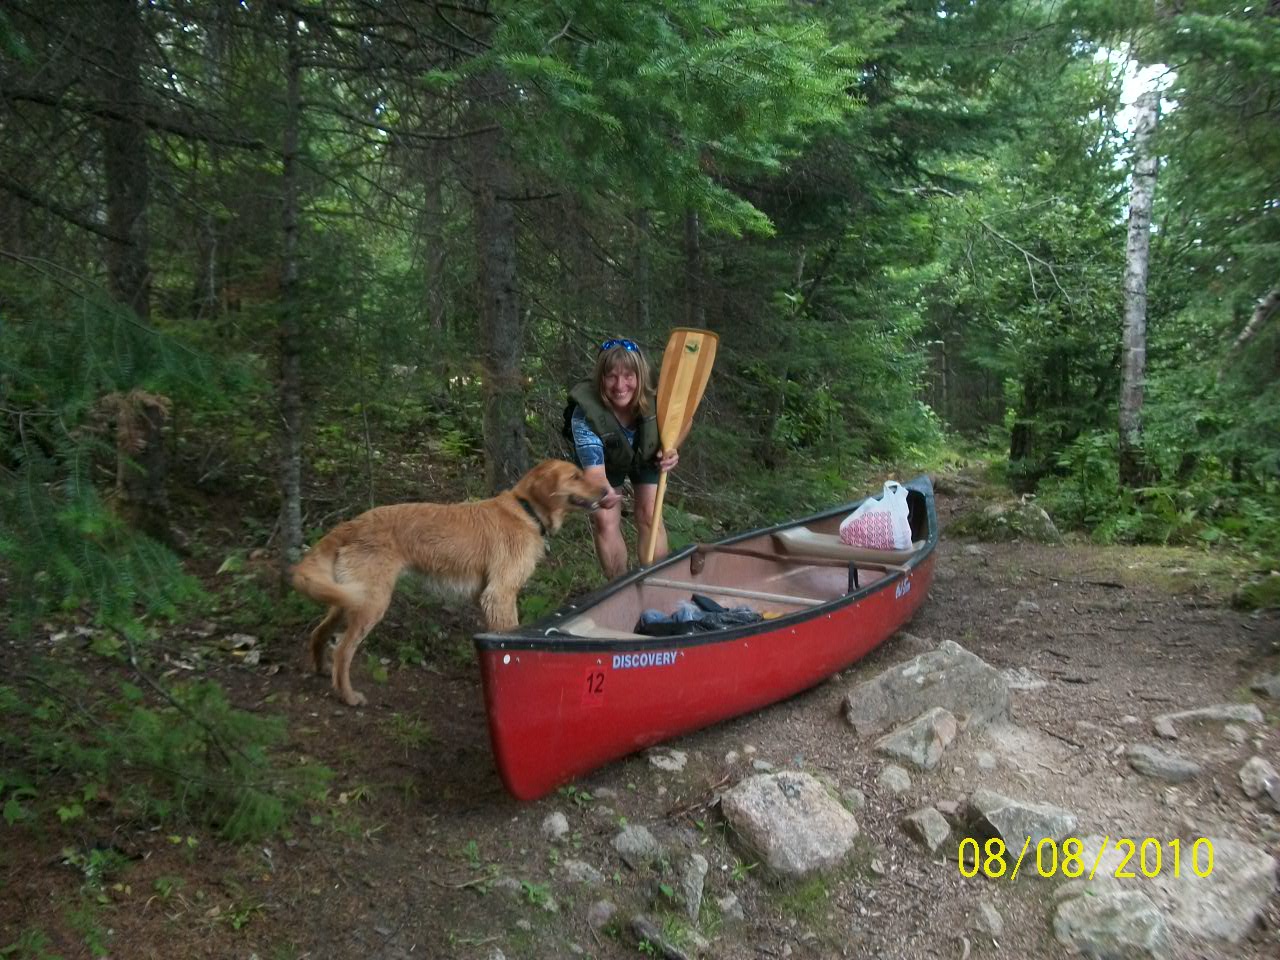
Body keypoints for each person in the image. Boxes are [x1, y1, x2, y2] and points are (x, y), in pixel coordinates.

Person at [565, 337, 679, 577]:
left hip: (646, 453)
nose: (620, 385)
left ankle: (656, 583)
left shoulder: (658, 398)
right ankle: (619, 588)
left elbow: (682, 421)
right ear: (601, 379)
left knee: (649, 513)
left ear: (639, 376)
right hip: (607, 459)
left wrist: (672, 449)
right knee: (604, 520)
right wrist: (602, 492)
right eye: (611, 376)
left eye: (628, 376)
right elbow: (595, 474)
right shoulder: (585, 415)